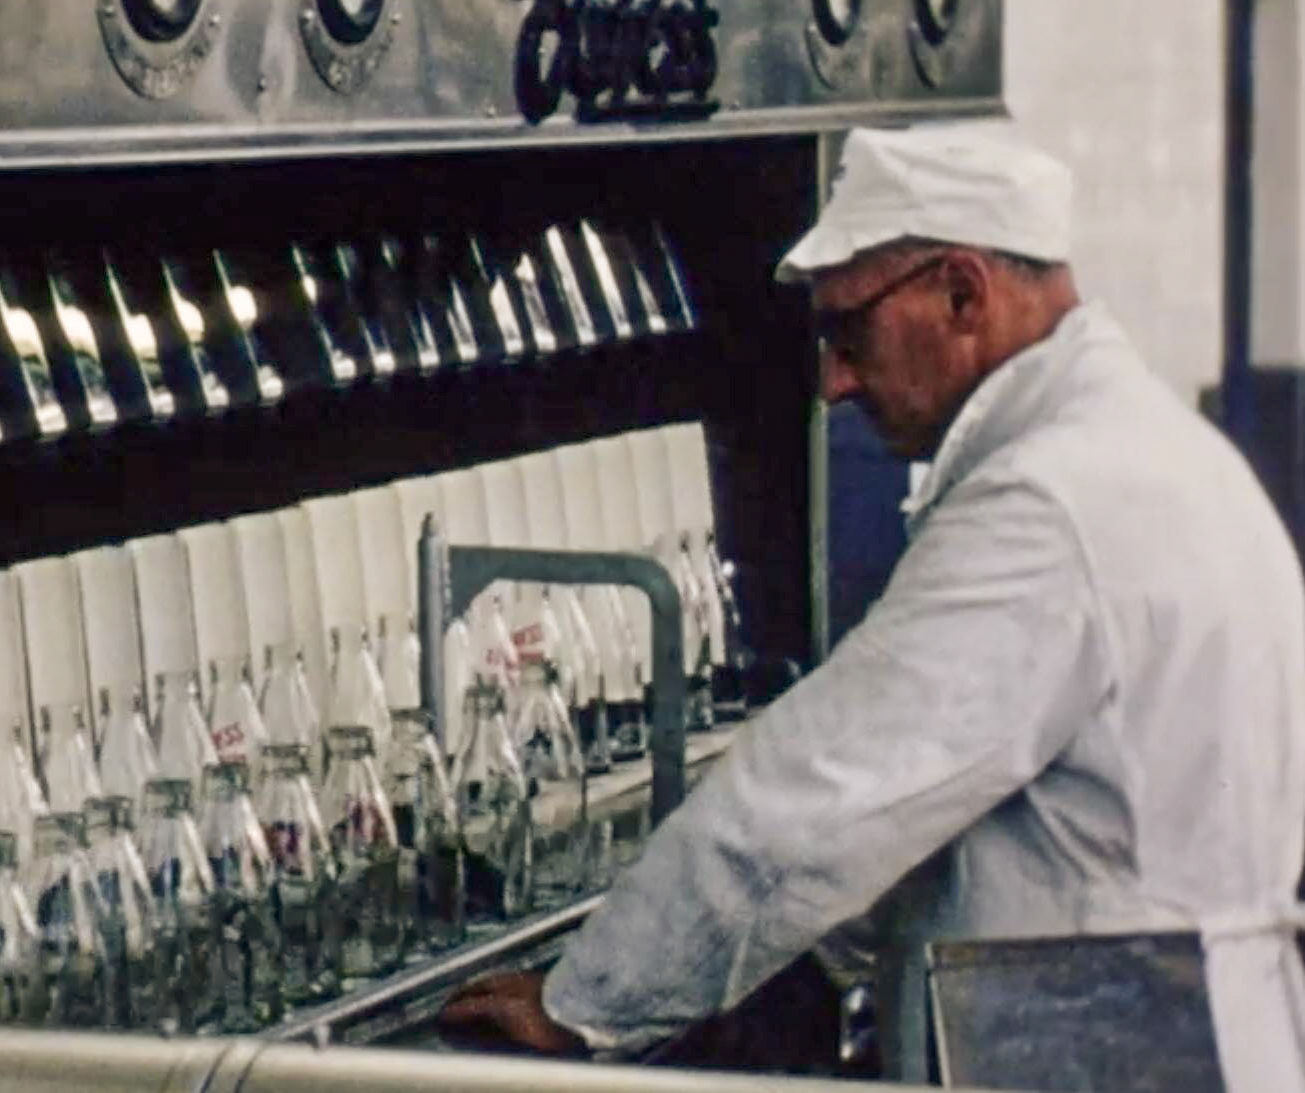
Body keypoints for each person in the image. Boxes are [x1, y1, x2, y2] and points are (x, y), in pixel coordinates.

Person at [440, 120, 1305, 1088]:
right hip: (1191, 1031)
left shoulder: (1049, 504)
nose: (835, 381)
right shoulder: (1141, 448)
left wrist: (587, 1004)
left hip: (1104, 1054)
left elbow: (815, 797)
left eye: (848, 331)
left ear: (963, 292)